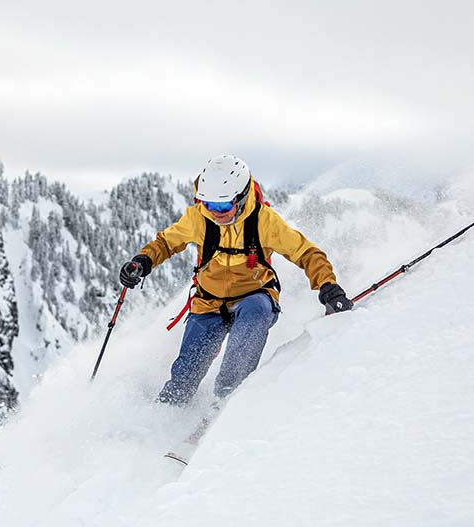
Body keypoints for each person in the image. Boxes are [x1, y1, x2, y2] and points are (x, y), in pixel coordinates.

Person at [119, 154, 353, 405]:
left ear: (240, 199)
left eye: (222, 206)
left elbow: (307, 253)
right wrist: (142, 261)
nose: (214, 212)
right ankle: (165, 414)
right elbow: (165, 243)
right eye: (208, 204)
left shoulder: (264, 221)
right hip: (208, 303)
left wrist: (328, 285)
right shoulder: (199, 217)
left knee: (255, 312)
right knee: (184, 378)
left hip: (253, 296)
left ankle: (227, 400)